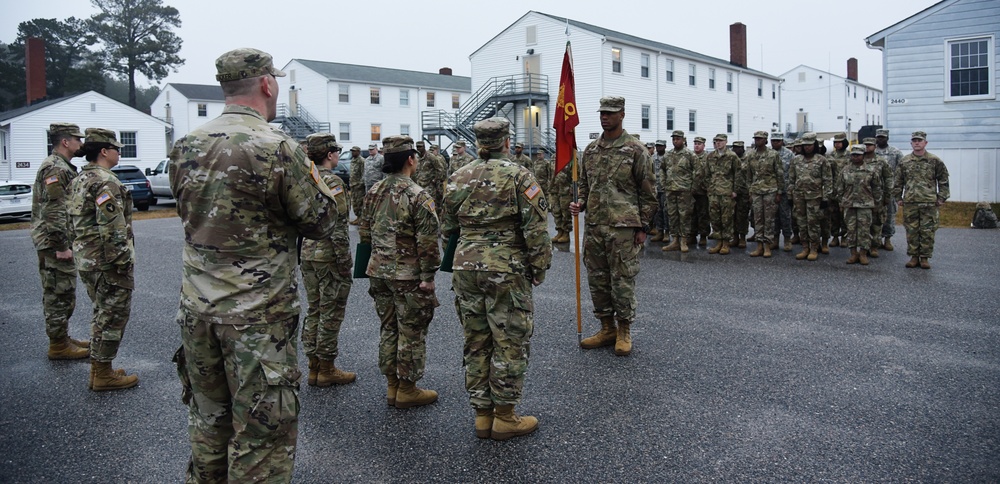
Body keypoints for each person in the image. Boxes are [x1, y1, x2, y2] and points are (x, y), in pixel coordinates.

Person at [169, 48, 338, 482]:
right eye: (276, 80)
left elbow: (191, 214)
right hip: (257, 316)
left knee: (208, 423)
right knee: (262, 435)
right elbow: (321, 221)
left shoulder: (186, 145)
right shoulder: (277, 147)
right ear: (266, 84)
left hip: (198, 309)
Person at [443, 117, 552, 441]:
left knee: (476, 340)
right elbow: (535, 228)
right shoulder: (519, 176)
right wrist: (539, 267)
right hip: (505, 267)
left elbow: (447, 227)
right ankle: (504, 416)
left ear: (479, 143)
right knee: (508, 340)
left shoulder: (458, 177)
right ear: (506, 142)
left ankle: (482, 415)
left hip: (466, 267)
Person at [570, 96, 657, 356]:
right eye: (602, 113)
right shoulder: (591, 151)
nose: (604, 117)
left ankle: (624, 330)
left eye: (610, 113)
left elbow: (649, 192)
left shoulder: (636, 150)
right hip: (595, 226)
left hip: (623, 228)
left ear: (622, 114)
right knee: (597, 280)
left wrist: (644, 227)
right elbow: (585, 184)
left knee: (622, 280)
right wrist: (580, 202)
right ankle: (606, 328)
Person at [359, 135, 441, 408]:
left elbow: (365, 234)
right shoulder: (418, 195)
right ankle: (407, 388)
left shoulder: (373, 191)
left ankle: (392, 386)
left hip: (379, 272)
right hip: (407, 276)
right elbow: (428, 243)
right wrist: (428, 278)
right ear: (410, 159)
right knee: (411, 331)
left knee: (389, 328)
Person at [66, 127, 138, 391]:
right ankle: (103, 374)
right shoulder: (105, 182)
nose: (119, 152)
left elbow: (70, 222)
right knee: (112, 315)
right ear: (104, 152)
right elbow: (113, 229)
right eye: (116, 148)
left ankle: (100, 369)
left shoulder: (79, 180)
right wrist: (122, 262)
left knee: (101, 313)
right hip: (107, 262)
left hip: (88, 259)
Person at [301, 134, 356, 387]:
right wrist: (345, 260)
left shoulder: (303, 178)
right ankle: (326, 367)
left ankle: (313, 366)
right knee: (331, 312)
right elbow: (338, 223)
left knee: (315, 309)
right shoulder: (331, 180)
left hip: (307, 252)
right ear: (330, 154)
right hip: (328, 254)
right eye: (336, 152)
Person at [31, 122, 90, 360]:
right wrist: (62, 246)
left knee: (63, 291)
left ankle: (62, 337)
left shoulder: (60, 166)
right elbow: (54, 211)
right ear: (65, 142)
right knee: (58, 293)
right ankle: (58, 345)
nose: (81, 144)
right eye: (78, 139)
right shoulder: (56, 169)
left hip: (56, 240)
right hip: (55, 243)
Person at [894, 131, 949, 269]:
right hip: (910, 202)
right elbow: (898, 181)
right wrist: (898, 197)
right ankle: (913, 257)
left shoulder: (934, 161)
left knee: (927, 231)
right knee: (912, 231)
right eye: (914, 141)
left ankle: (924, 258)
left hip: (928, 202)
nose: (917, 143)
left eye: (919, 140)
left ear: (925, 143)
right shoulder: (905, 161)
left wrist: (941, 197)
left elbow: (943, 180)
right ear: (911, 143)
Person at [788, 133, 832, 261]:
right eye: (805, 145)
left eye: (810, 145)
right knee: (801, 223)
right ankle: (805, 247)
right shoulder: (796, 160)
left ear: (815, 146)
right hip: (799, 196)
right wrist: (790, 195)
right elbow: (791, 179)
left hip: (815, 197)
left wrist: (825, 198)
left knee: (813, 223)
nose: (807, 148)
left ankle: (814, 248)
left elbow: (827, 181)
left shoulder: (822, 160)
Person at [837, 145, 882, 265]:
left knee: (864, 230)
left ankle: (863, 253)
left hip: (865, 205)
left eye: (858, 155)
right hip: (849, 204)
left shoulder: (871, 170)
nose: (855, 157)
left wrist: (877, 204)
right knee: (851, 230)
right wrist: (841, 202)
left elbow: (877, 188)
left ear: (863, 155)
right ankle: (853, 254)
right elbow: (839, 188)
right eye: (853, 155)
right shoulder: (845, 170)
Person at [745, 131, 784, 258]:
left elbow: (779, 174)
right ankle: (759, 246)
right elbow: (749, 175)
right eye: (756, 139)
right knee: (758, 219)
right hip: (756, 191)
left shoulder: (773, 155)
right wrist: (750, 191)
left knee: (769, 219)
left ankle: (768, 246)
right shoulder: (751, 155)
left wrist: (779, 192)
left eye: (760, 139)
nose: (757, 141)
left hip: (770, 190)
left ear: (766, 140)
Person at [660, 131, 696, 253]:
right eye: (674, 139)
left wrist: (692, 187)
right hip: (670, 190)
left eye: (678, 139)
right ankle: (674, 240)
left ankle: (684, 240)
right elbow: (662, 170)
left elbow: (698, 171)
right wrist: (664, 184)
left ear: (683, 139)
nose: (675, 141)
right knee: (672, 215)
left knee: (684, 215)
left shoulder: (689, 155)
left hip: (684, 190)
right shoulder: (668, 155)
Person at [703, 134, 740, 255]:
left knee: (726, 218)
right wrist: (709, 188)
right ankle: (718, 241)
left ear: (726, 142)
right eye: (716, 141)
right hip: (714, 192)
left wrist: (735, 190)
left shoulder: (732, 156)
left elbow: (738, 174)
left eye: (720, 141)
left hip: (726, 192)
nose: (718, 143)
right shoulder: (711, 156)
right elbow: (707, 174)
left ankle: (726, 243)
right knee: (715, 218)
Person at [862, 138, 893, 259]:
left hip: (877, 197)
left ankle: (874, 246)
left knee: (876, 223)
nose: (867, 147)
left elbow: (889, 179)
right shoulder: (857, 159)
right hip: (861, 197)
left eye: (870, 145)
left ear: (875, 146)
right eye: (865, 145)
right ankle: (865, 247)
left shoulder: (881, 161)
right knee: (863, 224)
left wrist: (888, 195)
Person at [875, 129, 904, 250]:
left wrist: (898, 189)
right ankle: (876, 240)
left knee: (889, 215)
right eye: (879, 137)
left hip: (890, 189)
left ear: (887, 138)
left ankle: (887, 239)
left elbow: (901, 170)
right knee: (875, 216)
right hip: (875, 189)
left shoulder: (895, 152)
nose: (881, 139)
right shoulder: (871, 151)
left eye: (883, 137)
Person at [770, 134, 795, 251]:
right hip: (770, 190)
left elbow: (793, 172)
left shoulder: (789, 154)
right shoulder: (768, 154)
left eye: (777, 141)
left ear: (782, 141)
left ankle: (787, 239)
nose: (775, 143)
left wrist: (790, 189)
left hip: (785, 190)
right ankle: (774, 239)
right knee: (773, 216)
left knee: (785, 216)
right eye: (773, 141)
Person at [825, 133, 851, 249]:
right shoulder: (830, 156)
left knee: (844, 215)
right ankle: (835, 236)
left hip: (846, 190)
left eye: (839, 142)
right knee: (834, 215)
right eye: (835, 143)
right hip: (833, 190)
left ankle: (844, 237)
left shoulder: (850, 156)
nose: (837, 144)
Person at [689, 136, 711, 247]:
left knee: (703, 214)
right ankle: (692, 235)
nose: (697, 145)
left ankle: (703, 236)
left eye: (699, 143)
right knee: (691, 214)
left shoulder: (708, 157)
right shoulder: (690, 156)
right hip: (691, 191)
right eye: (695, 143)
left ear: (703, 145)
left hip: (703, 191)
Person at [549, 151, 573, 244]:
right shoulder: (553, 157)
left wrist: (573, 188)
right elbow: (550, 174)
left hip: (565, 190)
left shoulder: (570, 156)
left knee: (565, 213)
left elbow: (577, 175)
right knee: (556, 212)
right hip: (554, 189)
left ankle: (566, 233)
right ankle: (559, 232)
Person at [731, 140, 750, 249]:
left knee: (742, 215)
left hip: (744, 191)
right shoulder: (731, 159)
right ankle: (735, 237)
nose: (737, 150)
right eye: (735, 147)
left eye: (739, 148)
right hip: (732, 191)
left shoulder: (748, 159)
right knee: (732, 215)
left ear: (743, 148)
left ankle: (742, 237)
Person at [650, 139, 668, 243]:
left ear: (665, 147)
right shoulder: (653, 158)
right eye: (657, 146)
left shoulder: (668, 157)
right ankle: (659, 231)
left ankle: (666, 232)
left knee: (666, 211)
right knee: (657, 211)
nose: (658, 148)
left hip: (665, 188)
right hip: (655, 188)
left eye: (660, 146)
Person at [348, 145, 365, 224]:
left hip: (359, 186)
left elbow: (363, 173)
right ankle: (357, 217)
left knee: (360, 202)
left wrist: (361, 184)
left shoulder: (361, 161)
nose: (352, 152)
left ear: (358, 152)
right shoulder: (353, 160)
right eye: (352, 151)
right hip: (353, 185)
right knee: (354, 202)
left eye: (354, 151)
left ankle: (361, 218)